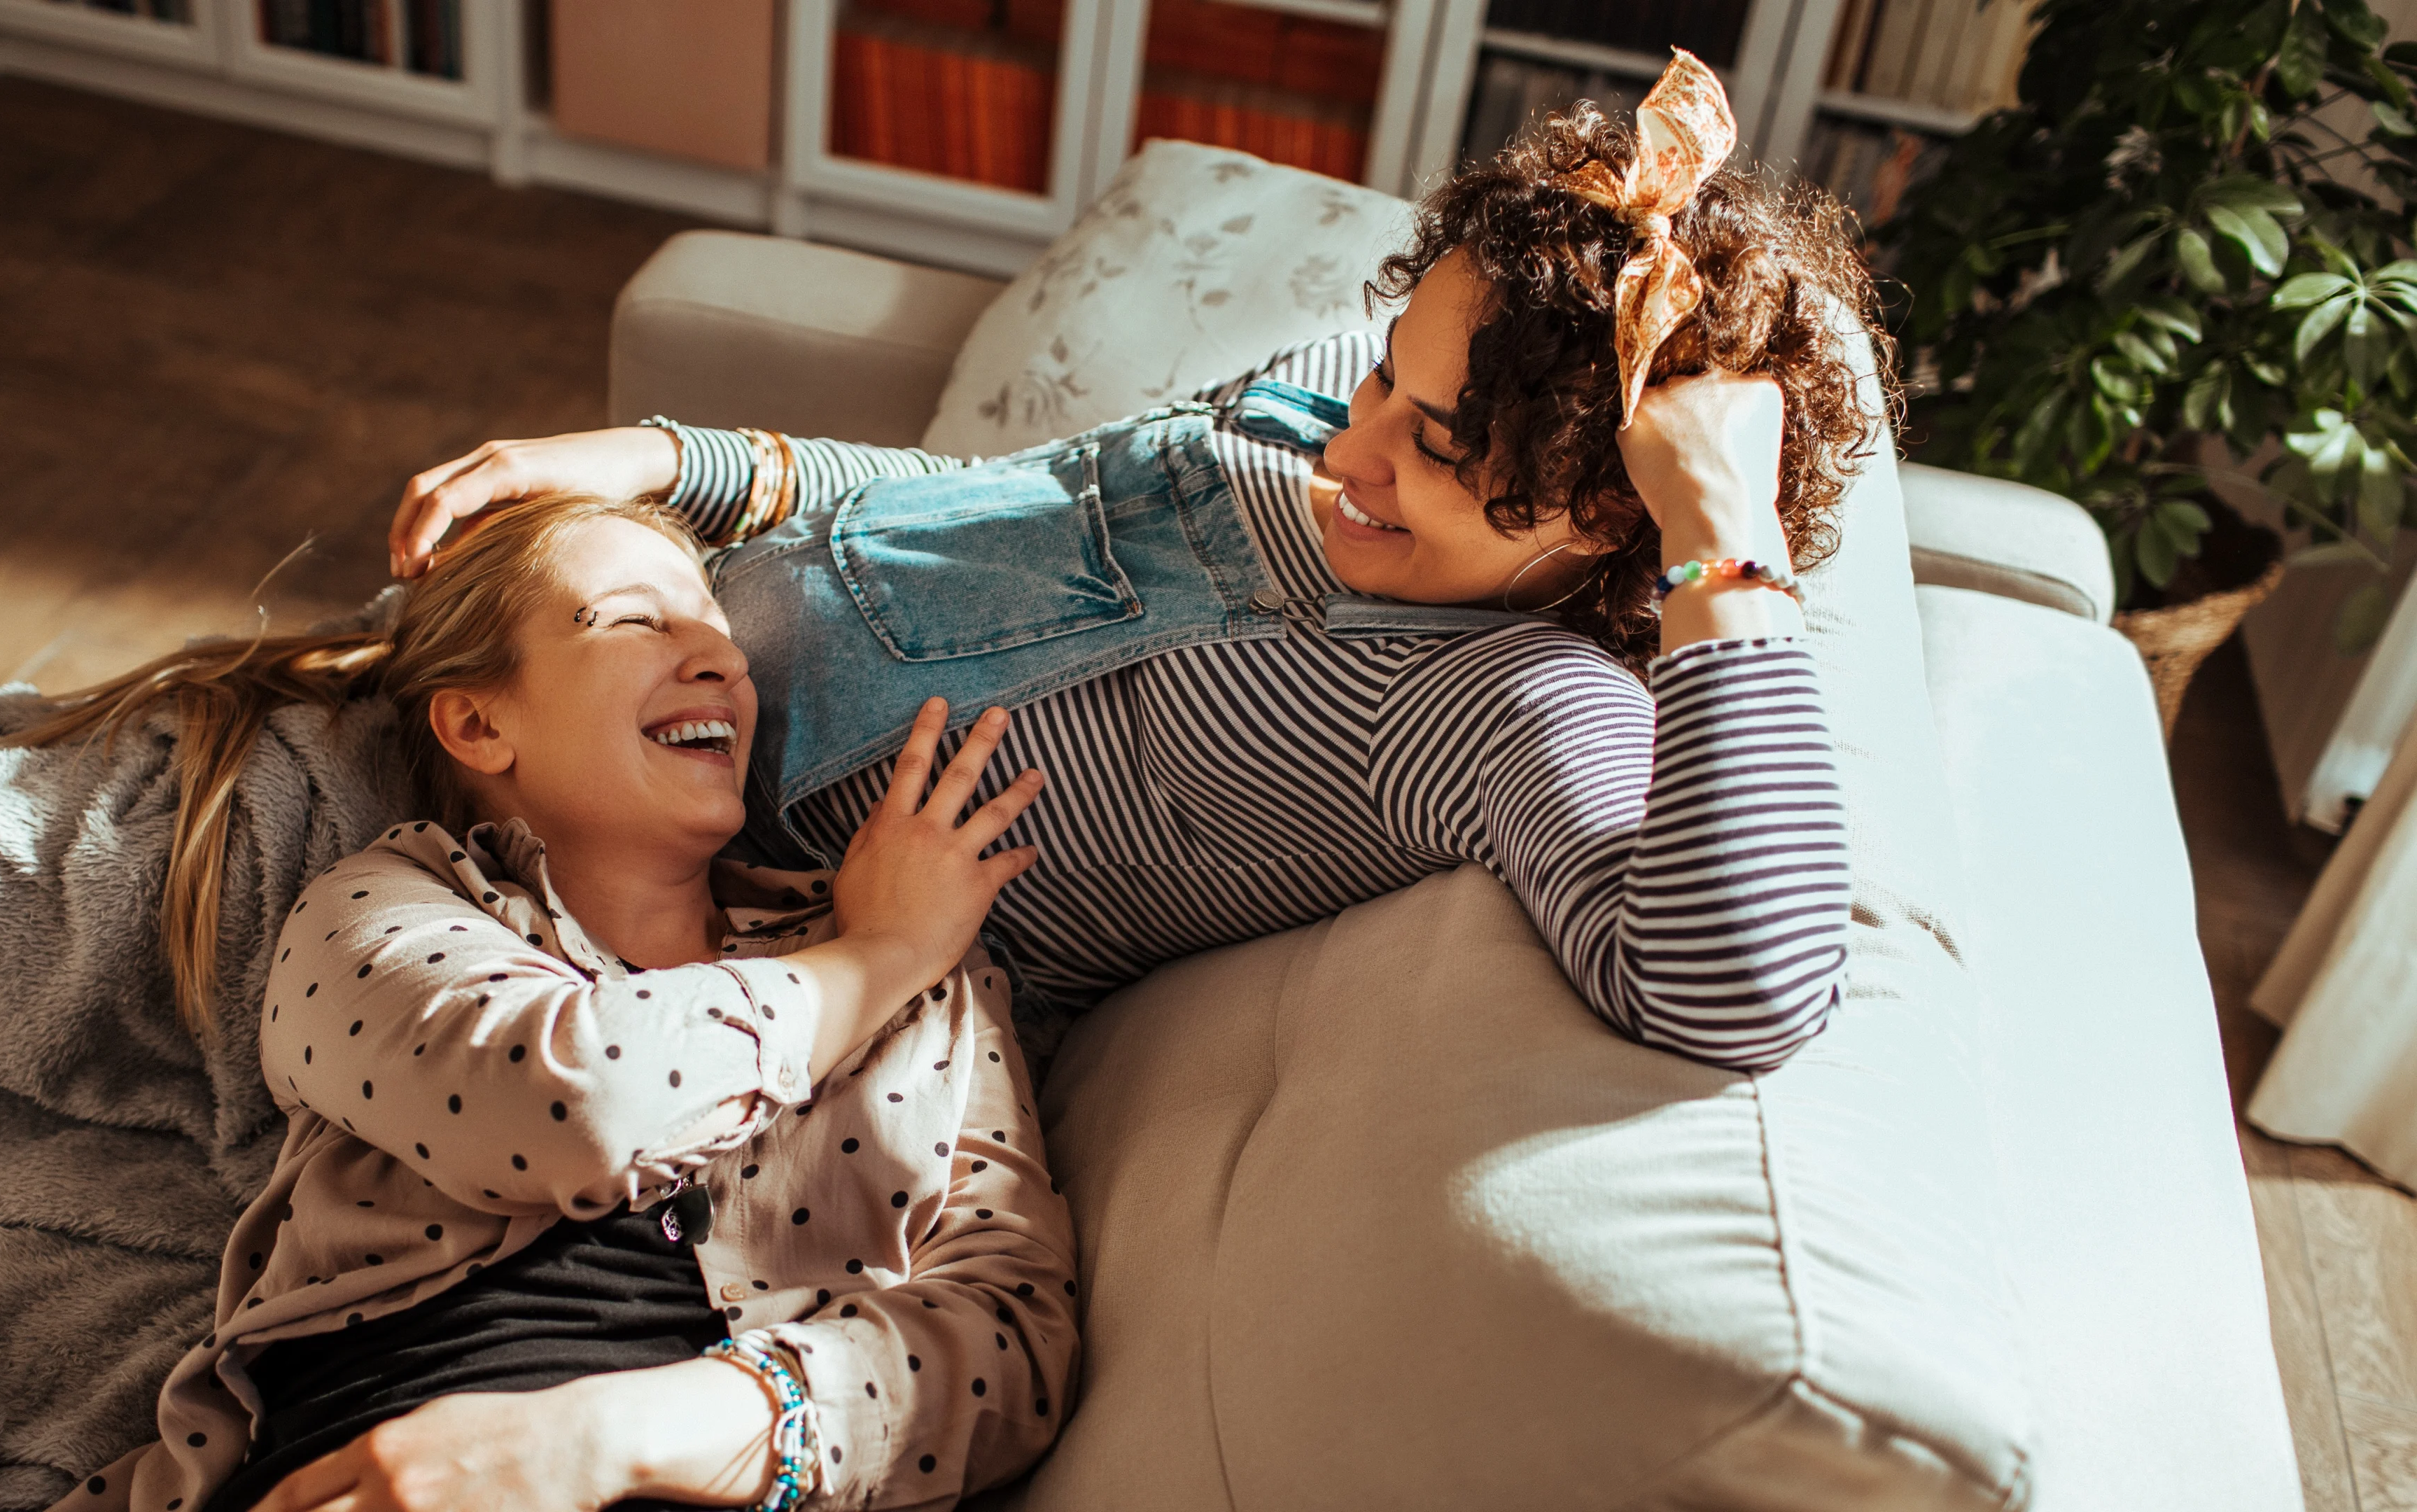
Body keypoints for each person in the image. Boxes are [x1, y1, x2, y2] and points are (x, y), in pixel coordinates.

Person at [386, 55, 1872, 1075]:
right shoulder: (1318, 401)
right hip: (609, 645)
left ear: (1602, 517)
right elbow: (980, 510)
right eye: (1384, 387)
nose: (1351, 455)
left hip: (642, 917)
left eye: (1431, 449)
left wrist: (1725, 546)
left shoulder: (1503, 713)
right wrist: (665, 465)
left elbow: (1732, 992)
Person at [33, 491, 1077, 1512]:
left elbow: (1010, 1339)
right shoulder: (376, 912)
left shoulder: (928, 977)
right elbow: (573, 1106)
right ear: (480, 722)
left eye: (721, 633)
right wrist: (878, 955)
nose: (721, 659)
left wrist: (608, 1441)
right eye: (631, 618)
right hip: (371, 1455)